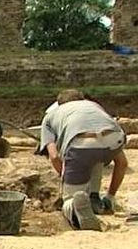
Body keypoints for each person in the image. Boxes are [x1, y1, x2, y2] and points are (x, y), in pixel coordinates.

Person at [39, 89, 127, 231]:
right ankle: (94, 198)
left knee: (70, 197)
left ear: (60, 104)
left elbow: (54, 157)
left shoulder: (50, 117)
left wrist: (67, 176)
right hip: (114, 138)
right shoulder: (94, 106)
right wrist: (111, 196)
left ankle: (74, 206)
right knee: (97, 154)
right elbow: (122, 163)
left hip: (80, 143)